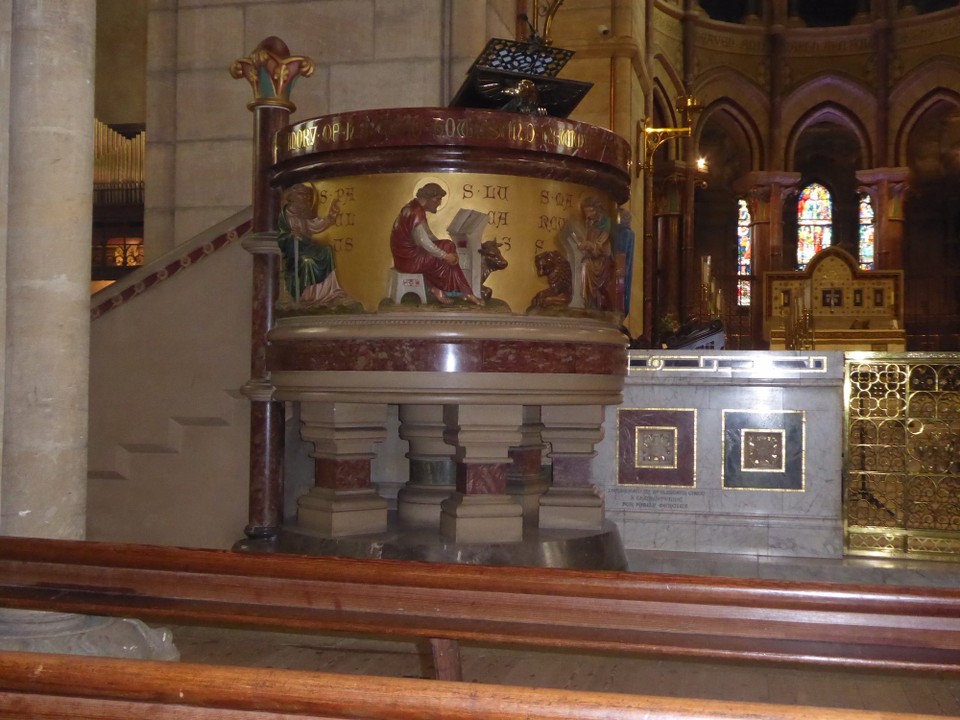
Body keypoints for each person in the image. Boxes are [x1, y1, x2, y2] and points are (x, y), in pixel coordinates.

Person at [390, 183, 482, 306]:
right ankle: (456, 291)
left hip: (405, 257)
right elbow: (424, 242)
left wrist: (444, 249)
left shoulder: (413, 208)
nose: (439, 203)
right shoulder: (415, 212)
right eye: (439, 199)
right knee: (446, 253)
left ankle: (452, 290)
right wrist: (445, 255)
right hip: (408, 260)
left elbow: (428, 236)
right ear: (432, 198)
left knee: (448, 246)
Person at [277, 183, 347, 305]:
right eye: (300, 194)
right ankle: (307, 296)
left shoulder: (303, 213)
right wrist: (291, 236)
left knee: (327, 250)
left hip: (306, 247)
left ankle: (330, 291)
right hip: (294, 252)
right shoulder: (285, 215)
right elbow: (280, 238)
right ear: (292, 196)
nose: (304, 198)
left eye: (306, 195)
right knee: (307, 261)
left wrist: (331, 217)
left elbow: (315, 226)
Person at [576, 196, 616, 311]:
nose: (587, 215)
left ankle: (593, 304)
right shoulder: (589, 221)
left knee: (586, 266)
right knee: (583, 264)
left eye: (590, 211)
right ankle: (587, 302)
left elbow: (600, 246)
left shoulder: (606, 222)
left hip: (602, 259)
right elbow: (588, 238)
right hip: (591, 257)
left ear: (597, 209)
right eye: (586, 212)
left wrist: (589, 245)